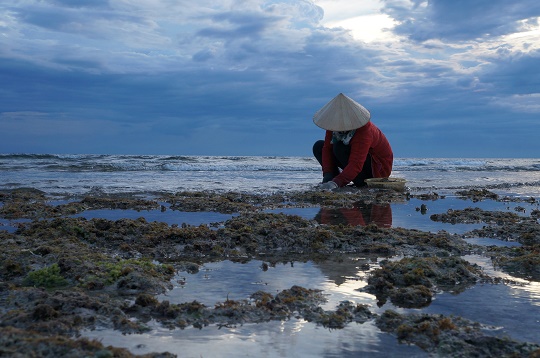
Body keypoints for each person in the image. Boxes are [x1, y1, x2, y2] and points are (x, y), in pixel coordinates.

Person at [312, 93, 393, 189]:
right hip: (357, 160)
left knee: (339, 147)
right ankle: (333, 178)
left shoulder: (364, 130)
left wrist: (337, 183)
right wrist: (328, 176)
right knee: (319, 147)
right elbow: (327, 149)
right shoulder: (333, 126)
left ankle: (360, 182)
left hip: (377, 170)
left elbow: (356, 163)